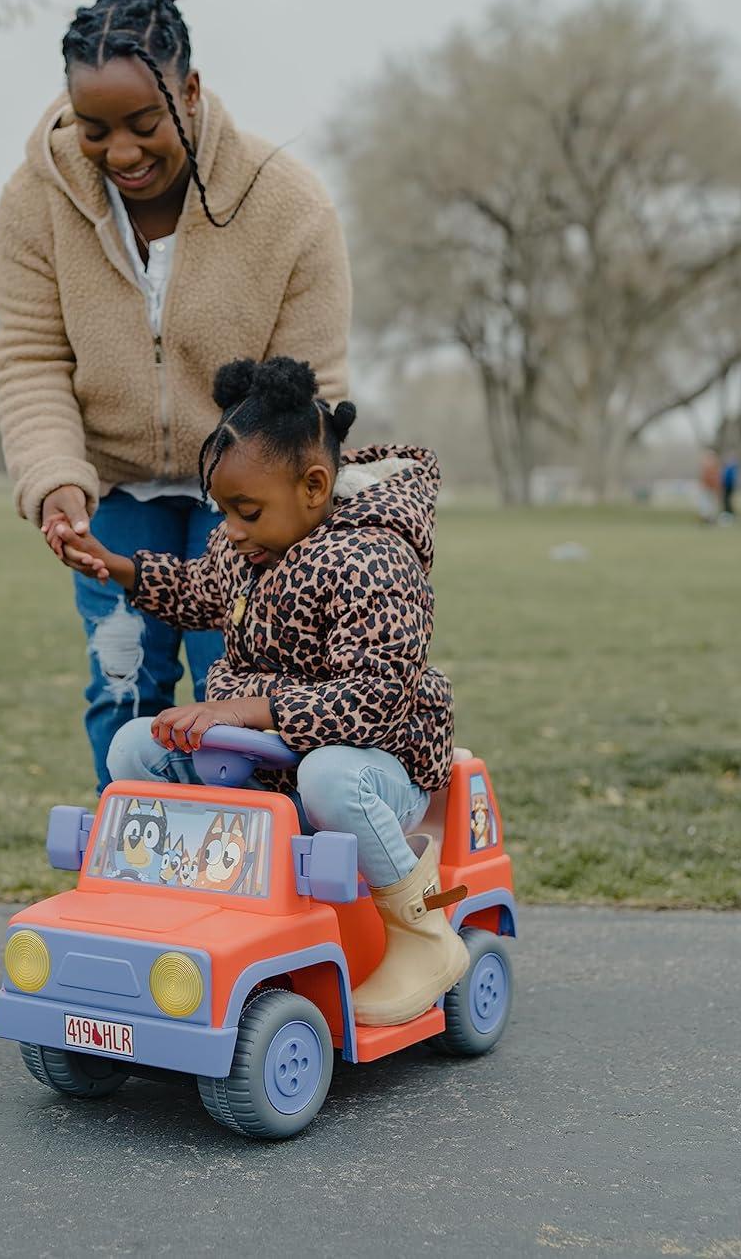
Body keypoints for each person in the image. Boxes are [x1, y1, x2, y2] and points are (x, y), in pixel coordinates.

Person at [0, 0, 351, 793]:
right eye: (95, 128)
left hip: (245, 495)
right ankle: (131, 883)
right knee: (124, 695)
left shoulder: (288, 206)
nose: (119, 151)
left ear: (190, 92)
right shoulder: (34, 202)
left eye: (143, 122)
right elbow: (32, 356)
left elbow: (314, 391)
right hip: (113, 491)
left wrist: (275, 519)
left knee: (239, 697)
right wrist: (54, 482)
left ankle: (251, 889)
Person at [71, 356, 468, 1027]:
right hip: (266, 765)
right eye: (222, 512)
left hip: (378, 770)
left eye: (245, 511)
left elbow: (372, 700)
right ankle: (180, 899)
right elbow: (203, 590)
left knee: (330, 774)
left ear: (314, 486)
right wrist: (124, 569)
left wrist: (245, 709)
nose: (228, 529)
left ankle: (423, 936)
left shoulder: (374, 557)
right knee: (136, 746)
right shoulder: (249, 547)